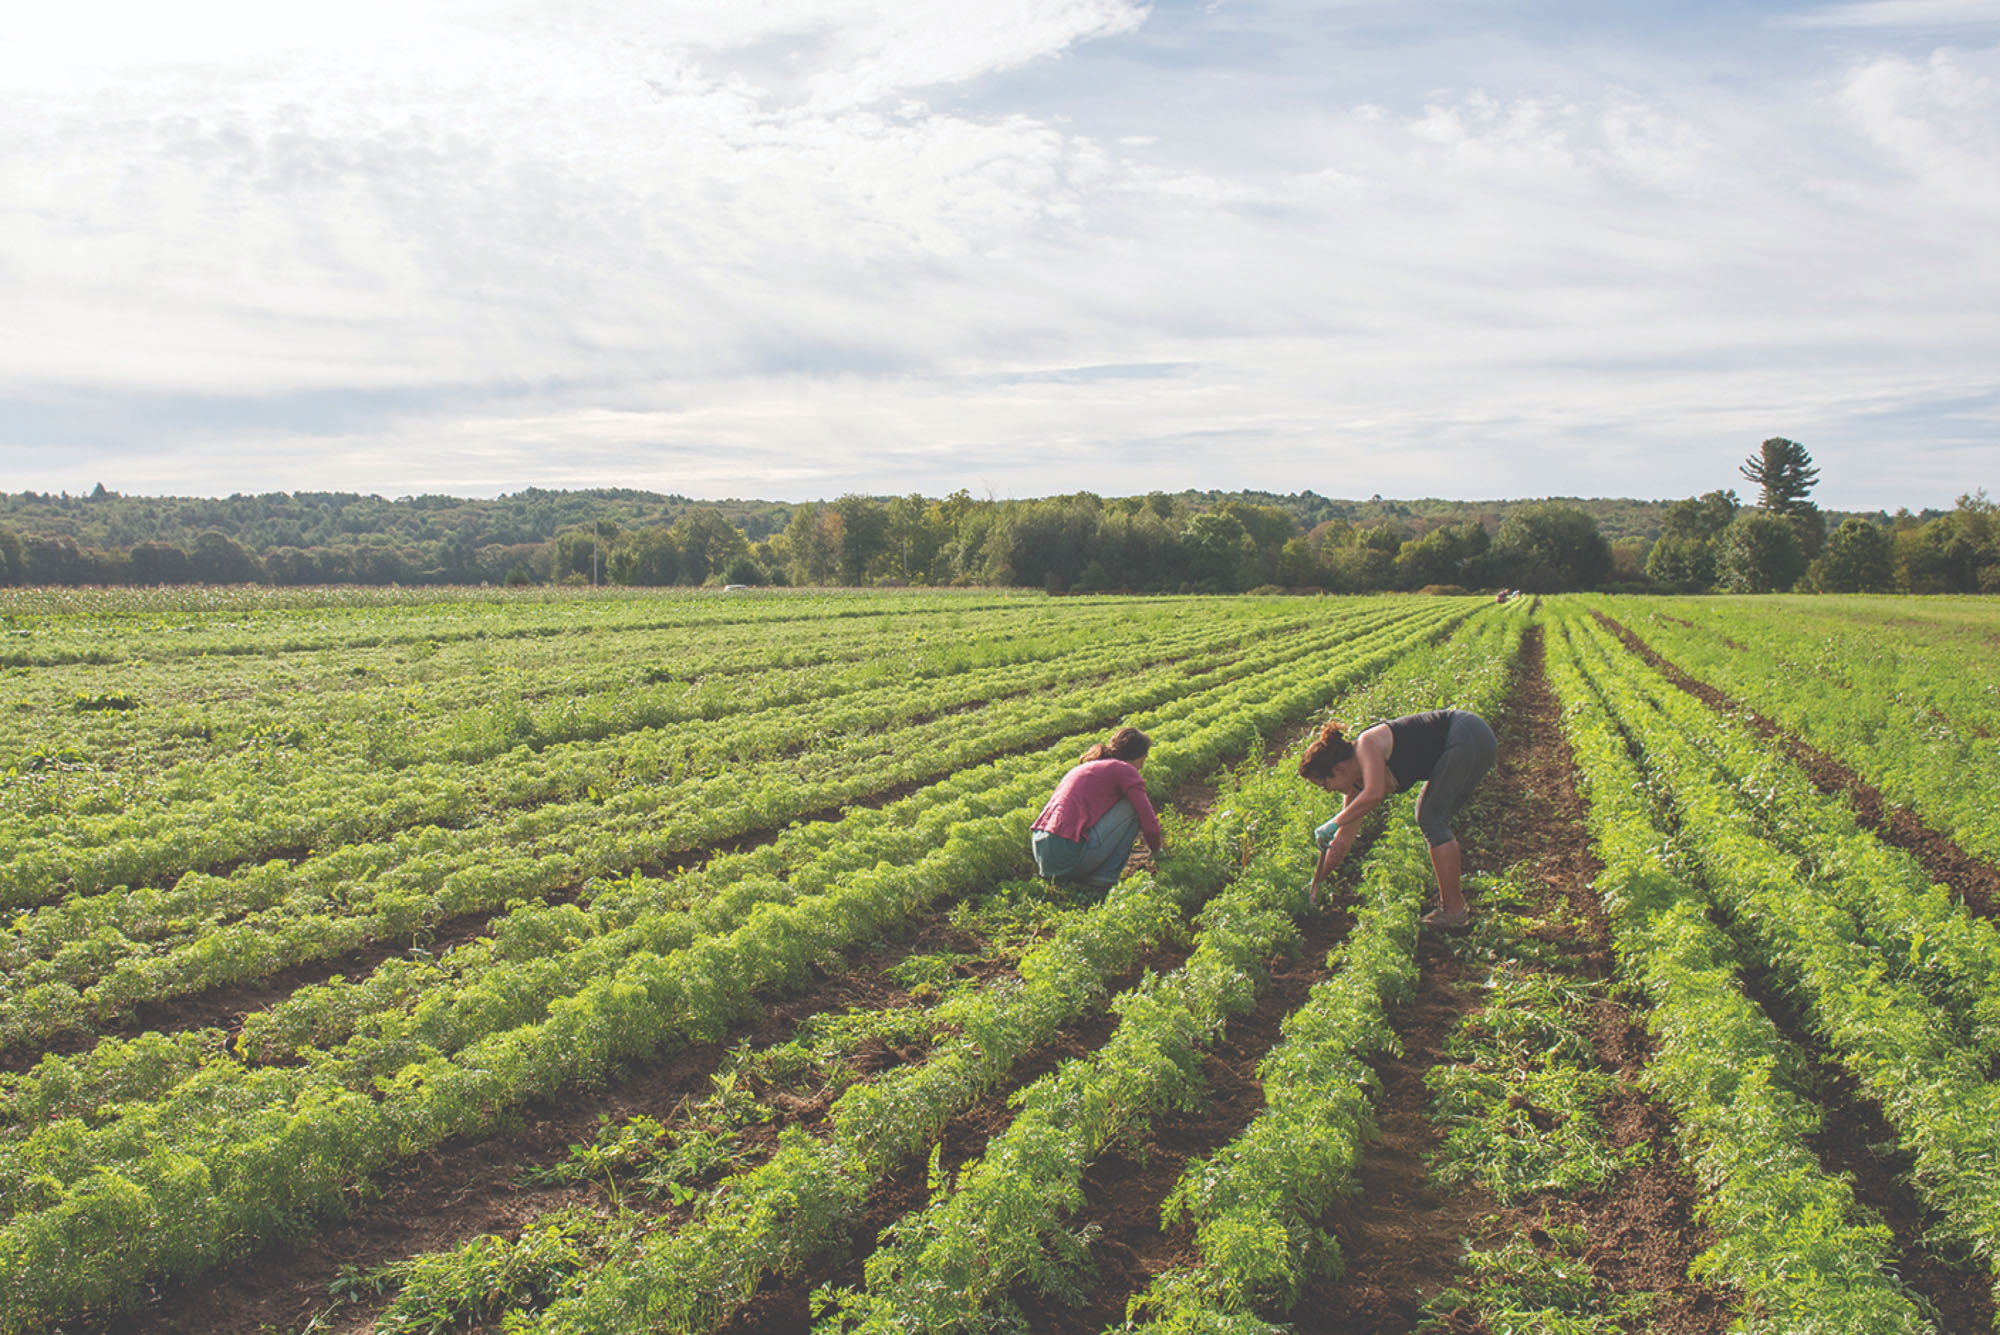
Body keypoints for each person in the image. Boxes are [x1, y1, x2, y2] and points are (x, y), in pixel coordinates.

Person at [1297, 709, 1496, 928]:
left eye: (1324, 784)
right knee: (1430, 816)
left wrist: (1334, 822)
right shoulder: (1355, 786)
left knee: (1431, 818)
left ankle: (1453, 911)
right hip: (1470, 740)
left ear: (1338, 769)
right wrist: (1313, 884)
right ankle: (1453, 909)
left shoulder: (1366, 744)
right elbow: (1341, 844)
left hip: (1467, 735)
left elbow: (1374, 794)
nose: (1326, 791)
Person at [1031, 726, 1163, 891]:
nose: (1142, 766)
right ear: (1136, 756)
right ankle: (1105, 878)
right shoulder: (1125, 770)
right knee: (1132, 807)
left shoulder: (1087, 767)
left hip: (1042, 852)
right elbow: (1148, 820)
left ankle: (1080, 874)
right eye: (1143, 759)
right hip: (1067, 853)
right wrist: (1158, 852)